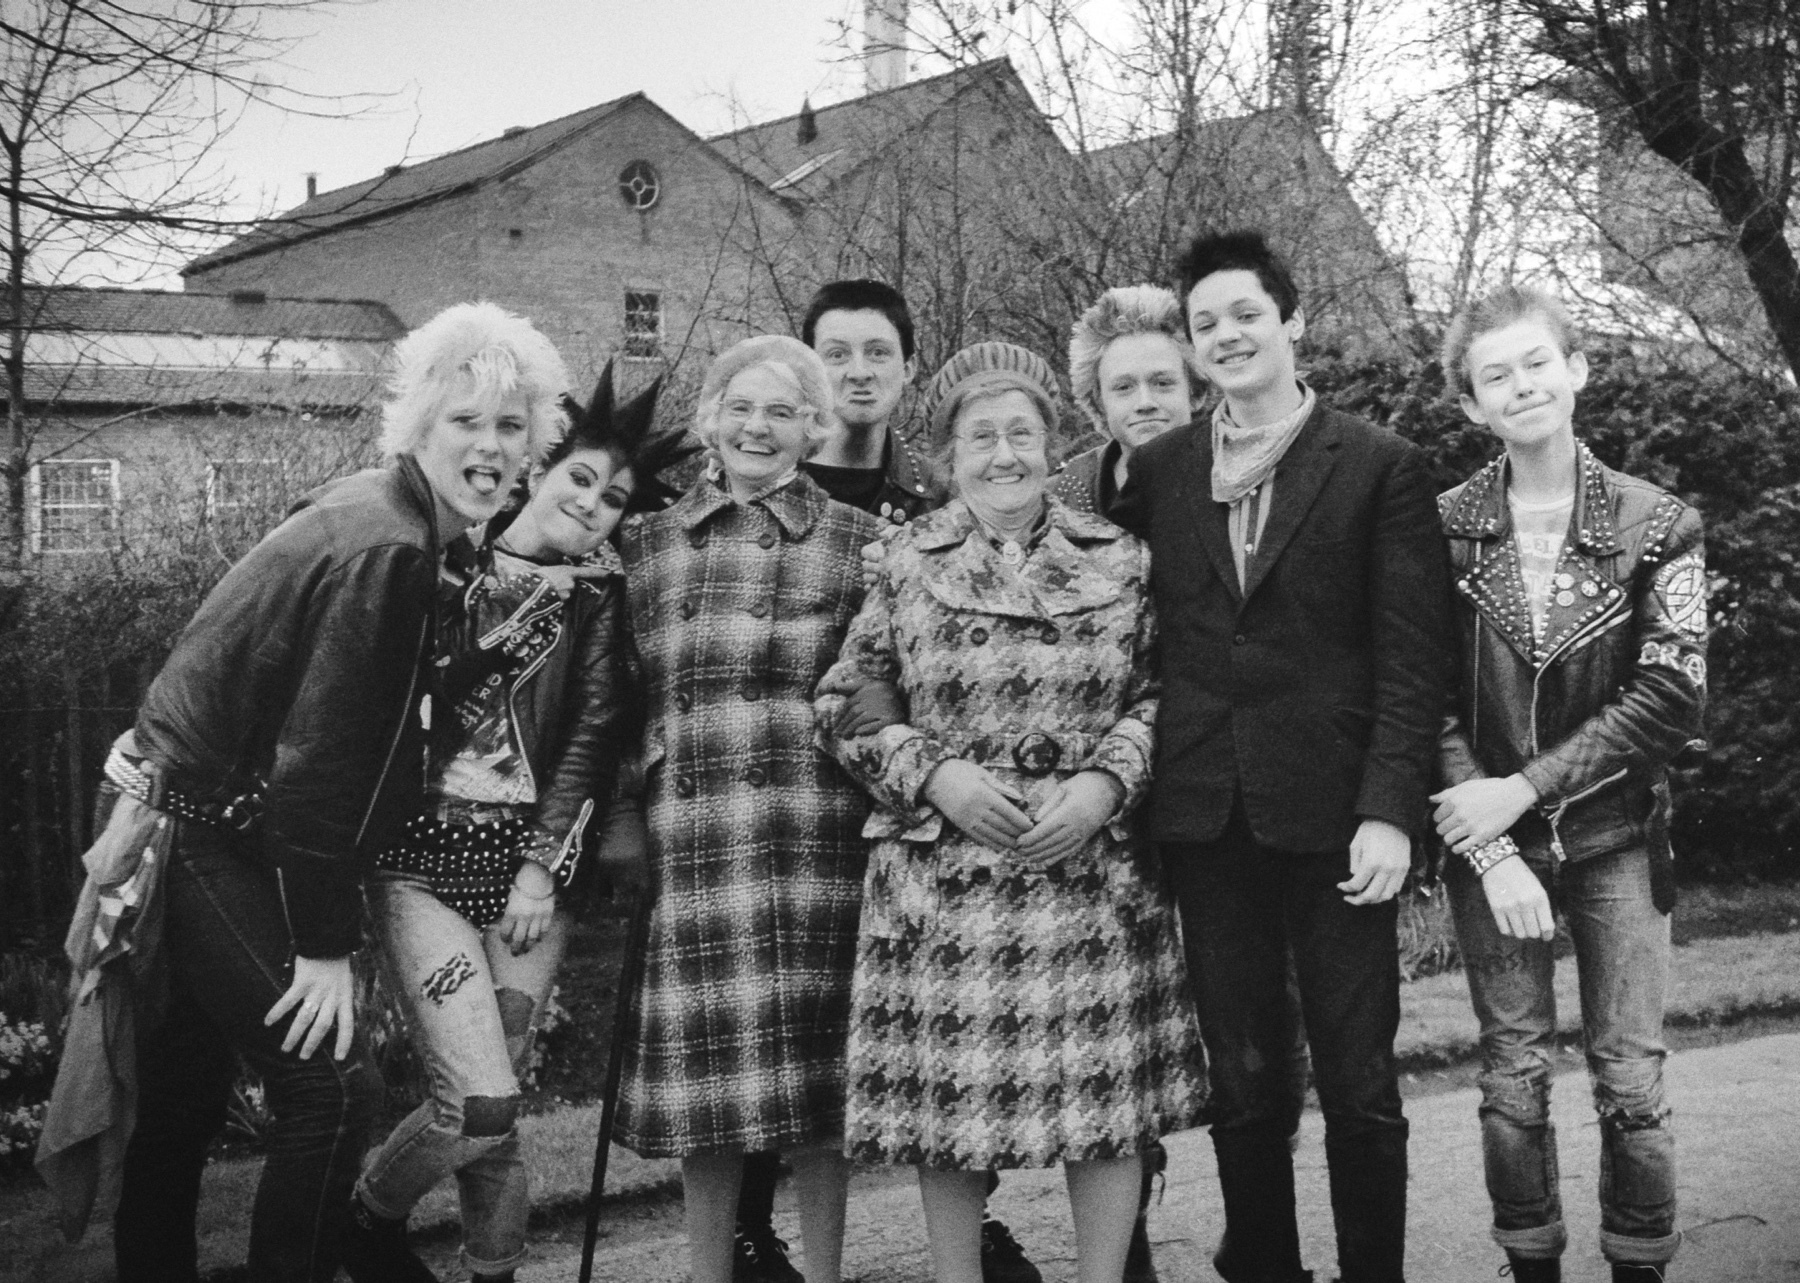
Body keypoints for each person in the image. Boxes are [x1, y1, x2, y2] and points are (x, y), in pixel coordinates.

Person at [108, 301, 567, 1283]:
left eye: (510, 426)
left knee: (184, 1101)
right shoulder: (393, 547)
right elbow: (318, 771)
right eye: (466, 421)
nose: (489, 446)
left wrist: (469, 664)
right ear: (420, 426)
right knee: (329, 1089)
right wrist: (321, 949)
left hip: (181, 815)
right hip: (201, 832)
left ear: (536, 441)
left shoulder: (404, 520)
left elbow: (354, 697)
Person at [818, 340, 1208, 1283]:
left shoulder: (1123, 558)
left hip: (1089, 871)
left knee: (1105, 1106)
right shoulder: (906, 559)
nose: (1004, 455)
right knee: (949, 1115)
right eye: (981, 438)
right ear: (950, 458)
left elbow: (1168, 694)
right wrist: (933, 775)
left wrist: (1108, 781)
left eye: (1022, 434)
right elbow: (846, 698)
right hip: (947, 878)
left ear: (1052, 447)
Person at [1111, 230, 1453, 1283]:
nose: (1226, 335)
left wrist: (1392, 808)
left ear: (1291, 320)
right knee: (1245, 1083)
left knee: (1358, 1083)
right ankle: (1263, 1265)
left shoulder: (1379, 465)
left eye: (1245, 314)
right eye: (1205, 321)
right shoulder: (1160, 471)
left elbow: (1412, 658)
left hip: (1341, 819)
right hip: (1209, 818)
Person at [340, 365, 666, 1283]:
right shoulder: (438, 562)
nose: (593, 504)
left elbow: (592, 742)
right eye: (580, 478)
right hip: (419, 865)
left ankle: (495, 1272)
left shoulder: (598, 605)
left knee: (504, 1104)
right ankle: (366, 1214)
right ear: (538, 467)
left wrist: (541, 870)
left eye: (614, 500)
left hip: (527, 880)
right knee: (474, 1103)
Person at [1431, 286, 1705, 1283]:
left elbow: (1670, 695)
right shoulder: (1444, 528)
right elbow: (1422, 703)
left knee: (1630, 1077)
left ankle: (1639, 1264)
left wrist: (1523, 790)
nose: (1521, 385)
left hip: (1619, 837)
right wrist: (1494, 841)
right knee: (1512, 1077)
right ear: (1472, 403)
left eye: (1535, 362)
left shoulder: (1657, 521)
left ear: (1577, 367)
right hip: (1490, 857)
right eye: (1495, 374)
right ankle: (1531, 1265)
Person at [613, 335, 882, 1283]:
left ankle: (830, 1269)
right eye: (740, 407)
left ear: (814, 426)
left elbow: (881, 693)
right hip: (696, 839)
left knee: (821, 1089)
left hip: (817, 840)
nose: (758, 428)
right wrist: (628, 804)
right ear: (710, 418)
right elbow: (617, 699)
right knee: (708, 1088)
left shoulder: (861, 542)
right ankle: (705, 1273)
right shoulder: (645, 544)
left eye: (782, 411)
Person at [800, 278, 936, 525]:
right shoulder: (766, 475)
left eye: (878, 353)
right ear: (809, 369)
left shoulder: (939, 494)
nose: (859, 373)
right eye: (837, 354)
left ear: (908, 368)